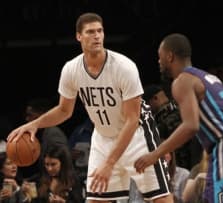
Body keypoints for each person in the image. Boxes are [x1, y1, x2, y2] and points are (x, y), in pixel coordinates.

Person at [7, 12, 172, 203]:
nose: (97, 36)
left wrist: (110, 163)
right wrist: (35, 124)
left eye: (100, 31)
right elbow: (64, 110)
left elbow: (132, 120)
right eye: (91, 32)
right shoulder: (71, 69)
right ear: (79, 36)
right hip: (103, 137)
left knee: (160, 198)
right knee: (95, 199)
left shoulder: (124, 67)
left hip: (136, 137)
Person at [134, 33, 223, 203]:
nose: (158, 61)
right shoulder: (209, 77)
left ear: (170, 56)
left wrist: (156, 154)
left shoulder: (181, 81)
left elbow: (191, 126)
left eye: (160, 57)